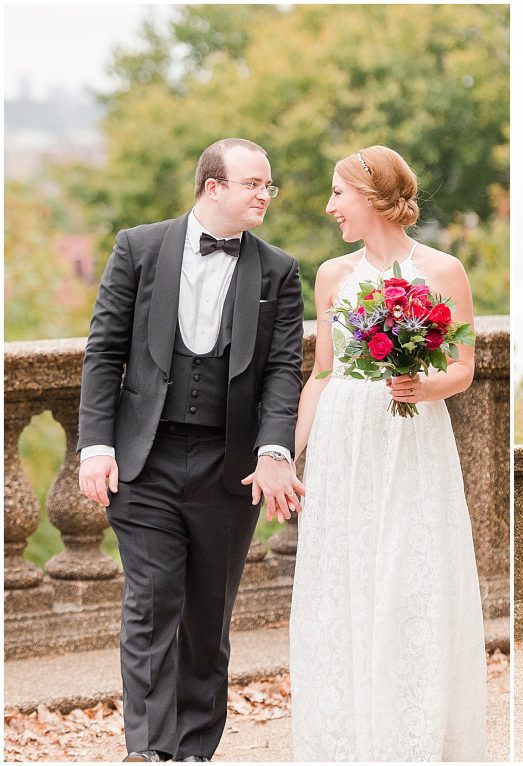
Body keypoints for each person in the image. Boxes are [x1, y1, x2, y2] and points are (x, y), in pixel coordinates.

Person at [77, 138, 305, 762]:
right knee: (151, 603)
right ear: (213, 186)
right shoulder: (139, 247)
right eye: (253, 183)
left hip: (227, 468)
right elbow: (104, 353)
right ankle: (147, 751)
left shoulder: (279, 270)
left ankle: (195, 751)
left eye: (268, 185)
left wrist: (274, 451)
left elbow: (285, 370)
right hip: (143, 458)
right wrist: (95, 445)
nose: (265, 194)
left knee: (207, 618)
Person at [289, 145, 486, 761]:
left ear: (371, 196)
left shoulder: (445, 271)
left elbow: (465, 367)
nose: (329, 207)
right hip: (345, 445)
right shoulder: (331, 276)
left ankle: (414, 736)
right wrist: (290, 459)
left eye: (338, 195)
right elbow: (321, 373)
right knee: (343, 583)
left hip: (412, 441)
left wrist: (422, 386)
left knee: (411, 577)